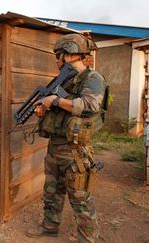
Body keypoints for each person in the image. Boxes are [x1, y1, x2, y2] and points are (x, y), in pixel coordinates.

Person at [25, 33, 108, 243]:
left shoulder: (93, 78)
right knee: (52, 193)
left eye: (58, 56)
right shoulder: (64, 81)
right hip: (55, 146)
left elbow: (90, 106)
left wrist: (55, 101)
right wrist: (44, 110)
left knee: (80, 198)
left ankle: (88, 238)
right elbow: (59, 111)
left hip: (75, 151)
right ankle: (49, 228)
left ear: (69, 55)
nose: (56, 61)